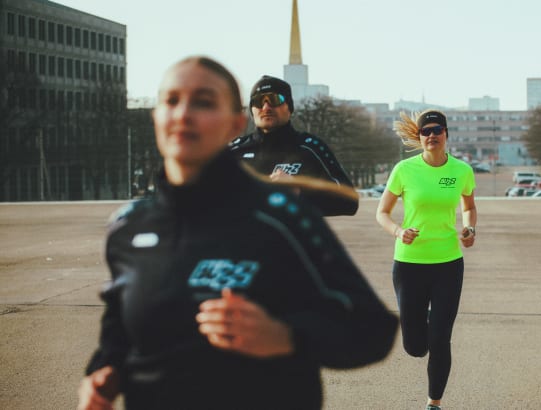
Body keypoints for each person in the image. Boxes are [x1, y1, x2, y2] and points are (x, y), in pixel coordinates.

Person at [77, 56, 397, 410]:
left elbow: (372, 329)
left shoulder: (284, 216)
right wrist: (103, 373)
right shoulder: (128, 227)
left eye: (203, 102)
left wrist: (285, 337)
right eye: (171, 100)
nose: (183, 114)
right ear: (156, 117)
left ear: (232, 123)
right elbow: (119, 332)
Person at [375, 110, 477, 410]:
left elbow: (469, 206)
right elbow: (381, 212)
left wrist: (470, 228)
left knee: (441, 337)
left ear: (446, 134)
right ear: (419, 138)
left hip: (448, 263)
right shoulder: (404, 170)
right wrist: (398, 231)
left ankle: (434, 402)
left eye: (437, 130)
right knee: (415, 346)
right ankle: (425, 328)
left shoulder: (462, 171)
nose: (431, 135)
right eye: (425, 131)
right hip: (409, 265)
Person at [229, 75, 359, 216]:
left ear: (289, 107)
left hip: (292, 236)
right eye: (259, 101)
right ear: (252, 110)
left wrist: (298, 191)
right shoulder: (234, 151)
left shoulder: (310, 147)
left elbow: (350, 201)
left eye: (275, 100)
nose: (266, 107)